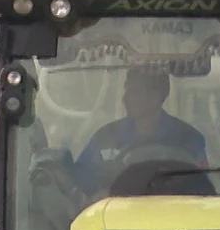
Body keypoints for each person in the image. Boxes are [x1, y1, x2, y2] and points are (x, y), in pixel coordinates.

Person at [70, 67, 209, 196]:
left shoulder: (188, 139)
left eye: (134, 91)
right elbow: (79, 182)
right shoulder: (105, 138)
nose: (124, 98)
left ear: (155, 97)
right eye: (126, 90)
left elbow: (201, 188)